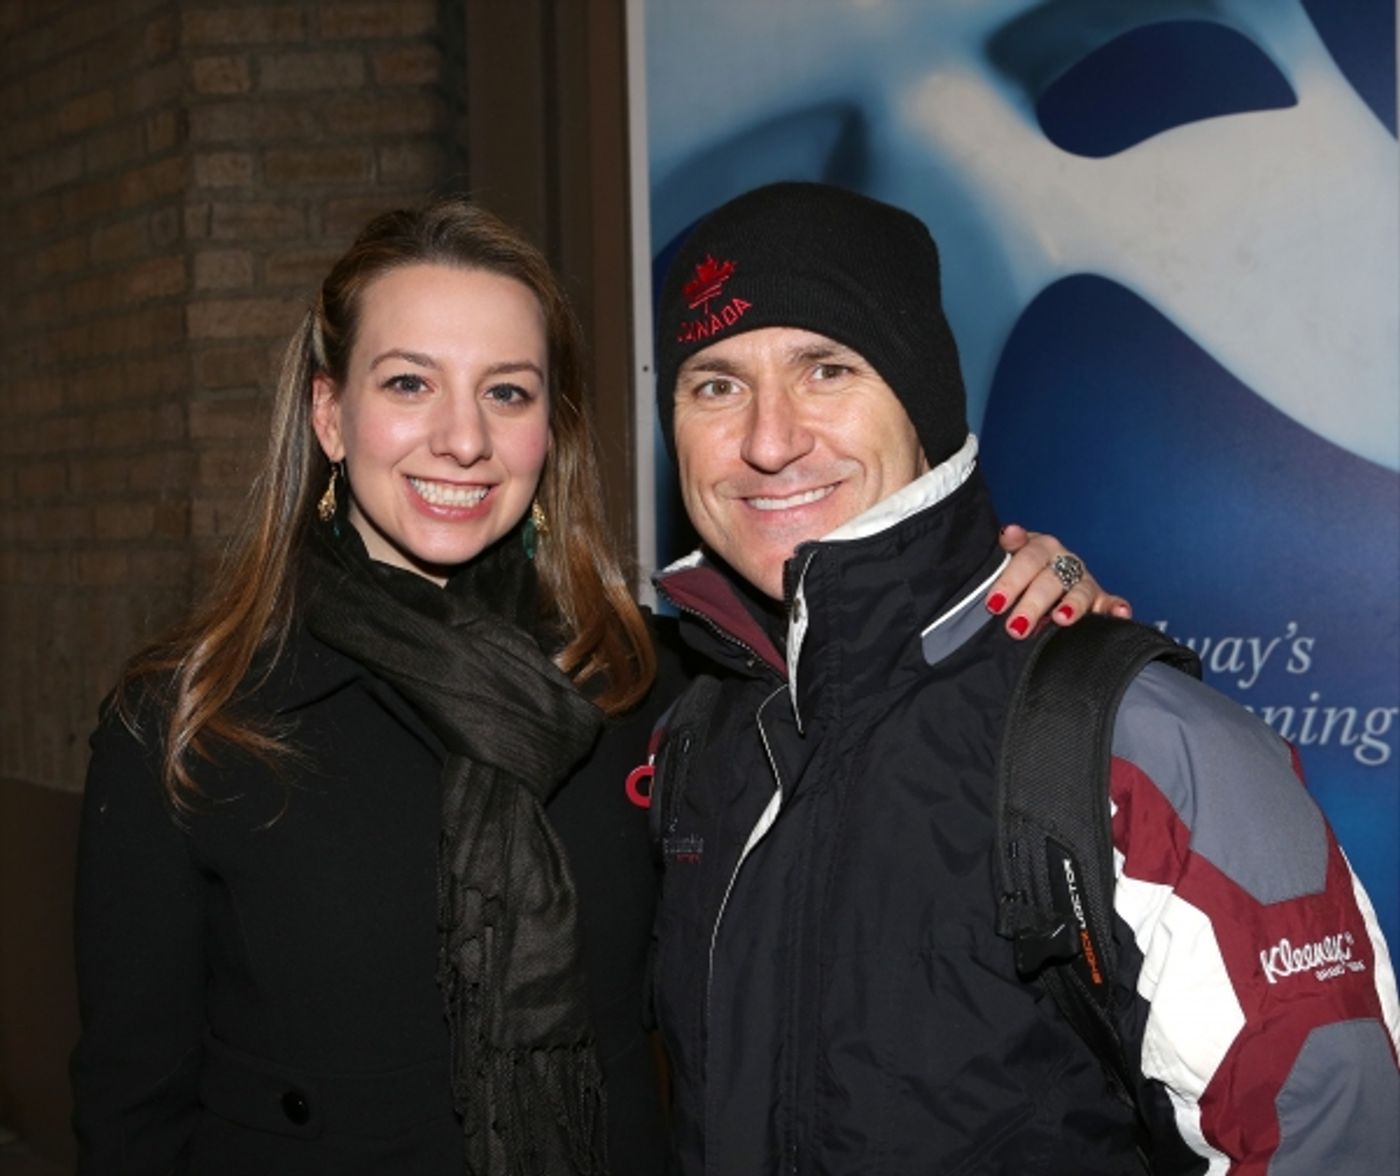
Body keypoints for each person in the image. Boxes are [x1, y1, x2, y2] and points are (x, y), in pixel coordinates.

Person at [68, 195, 1109, 1176]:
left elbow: (876, 675)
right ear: (330, 417)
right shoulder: (192, 717)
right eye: (407, 383)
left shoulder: (659, 687)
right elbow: (134, 1115)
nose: (463, 439)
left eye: (506, 391)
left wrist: (1013, 594)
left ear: (548, 428)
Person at [645, 182, 1400, 1174]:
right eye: (713, 384)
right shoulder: (690, 733)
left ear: (921, 409)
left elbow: (1332, 1136)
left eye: (825, 368)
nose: (767, 438)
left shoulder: (1127, 740)